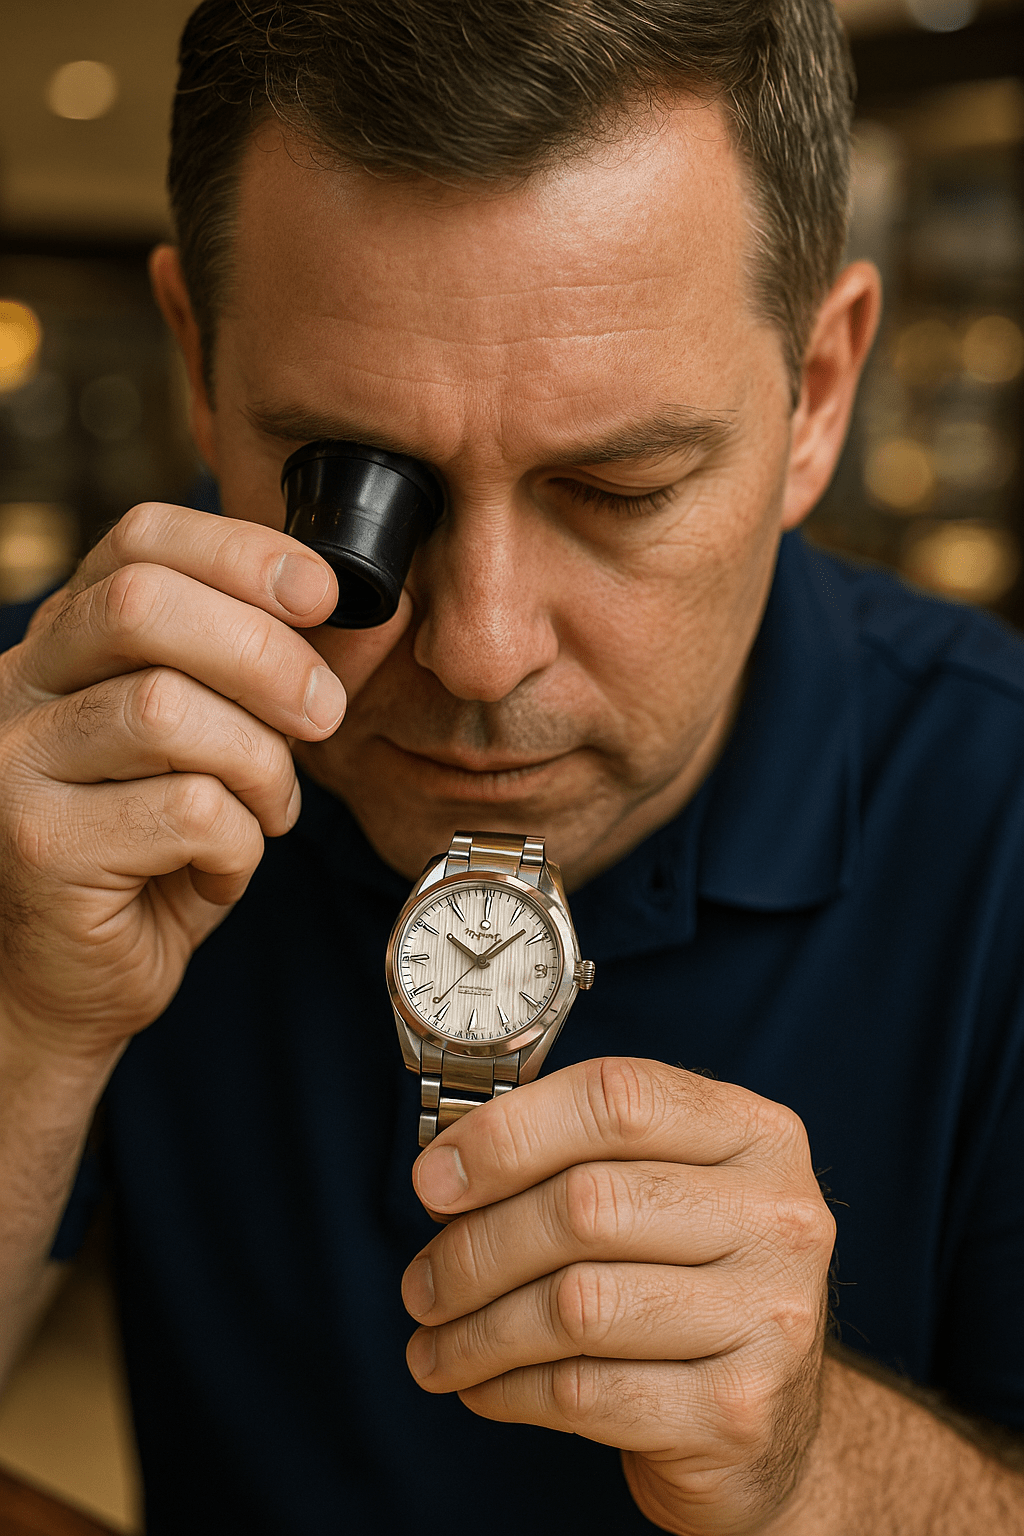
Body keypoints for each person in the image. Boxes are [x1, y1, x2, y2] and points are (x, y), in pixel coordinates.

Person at [0, 0, 1022, 1530]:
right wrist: (24, 1025)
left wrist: (820, 1464)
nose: (477, 650)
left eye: (616, 489)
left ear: (818, 395)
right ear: (199, 370)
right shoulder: (58, 748)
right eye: (360, 489)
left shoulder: (1001, 803)